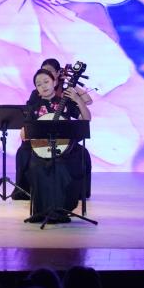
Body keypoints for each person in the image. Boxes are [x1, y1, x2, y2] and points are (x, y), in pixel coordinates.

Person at [23, 68, 91, 223]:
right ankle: (42, 211)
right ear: (36, 89)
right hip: (42, 150)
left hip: (66, 152)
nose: (43, 86)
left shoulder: (65, 103)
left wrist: (78, 99)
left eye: (46, 81)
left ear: (54, 82)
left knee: (60, 167)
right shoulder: (34, 108)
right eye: (39, 84)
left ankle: (60, 210)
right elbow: (27, 131)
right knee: (35, 167)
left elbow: (86, 119)